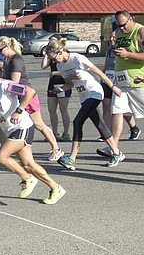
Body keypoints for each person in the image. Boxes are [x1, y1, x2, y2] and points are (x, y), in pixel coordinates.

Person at [0, 60, 67, 205]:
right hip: (11, 130)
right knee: (29, 164)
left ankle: (27, 178)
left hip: (23, 126)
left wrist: (19, 110)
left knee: (1, 156)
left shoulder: (4, 85)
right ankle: (56, 188)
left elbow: (30, 91)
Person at [45, 40, 124, 169]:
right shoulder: (61, 66)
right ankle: (117, 153)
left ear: (60, 52)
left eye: (54, 58)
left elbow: (99, 73)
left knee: (77, 122)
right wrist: (60, 89)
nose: (54, 62)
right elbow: (70, 84)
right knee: (99, 124)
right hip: (84, 97)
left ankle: (72, 158)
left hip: (95, 92)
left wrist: (113, 87)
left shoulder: (77, 58)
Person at [0, 36, 62, 161]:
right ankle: (5, 150)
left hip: (27, 96)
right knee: (1, 122)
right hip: (16, 98)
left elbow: (14, 82)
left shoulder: (16, 60)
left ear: (8, 46)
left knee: (38, 124)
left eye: (0, 50)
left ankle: (56, 149)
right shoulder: (6, 59)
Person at [98, 28, 139, 157]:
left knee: (122, 110)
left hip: (127, 83)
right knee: (109, 108)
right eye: (111, 37)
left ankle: (133, 127)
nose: (112, 39)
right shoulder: (109, 51)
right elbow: (106, 66)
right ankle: (108, 137)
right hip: (110, 82)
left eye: (114, 37)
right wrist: (102, 79)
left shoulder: (126, 50)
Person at [111, 9, 144, 151]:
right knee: (117, 111)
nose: (122, 28)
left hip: (138, 81)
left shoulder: (140, 31)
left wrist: (128, 55)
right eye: (118, 26)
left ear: (131, 19)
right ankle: (113, 148)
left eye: (124, 25)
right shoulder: (118, 33)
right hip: (121, 81)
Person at [42, 34, 72, 141]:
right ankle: (55, 133)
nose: (50, 43)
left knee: (63, 109)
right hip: (52, 83)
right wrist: (47, 53)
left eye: (53, 41)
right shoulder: (51, 55)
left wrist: (55, 73)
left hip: (63, 83)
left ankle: (66, 132)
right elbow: (43, 65)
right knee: (51, 109)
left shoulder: (64, 53)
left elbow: (69, 70)